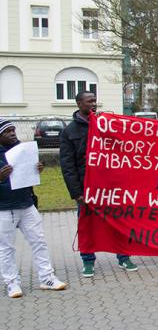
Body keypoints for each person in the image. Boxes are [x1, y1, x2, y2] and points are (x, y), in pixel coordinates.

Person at [60, 91, 138, 277]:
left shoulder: (106, 125)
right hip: (86, 188)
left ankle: (124, 257)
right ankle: (88, 261)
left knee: (118, 221)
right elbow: (67, 166)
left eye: (95, 101)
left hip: (109, 186)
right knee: (87, 225)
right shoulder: (69, 132)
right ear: (79, 103)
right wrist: (77, 193)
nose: (94, 104)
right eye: (89, 101)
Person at [1, 120, 67, 297]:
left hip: (26, 204)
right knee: (6, 247)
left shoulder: (22, 150)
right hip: (4, 209)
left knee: (39, 241)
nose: (13, 134)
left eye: (13, 130)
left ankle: (47, 278)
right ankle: (12, 283)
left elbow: (28, 174)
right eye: (7, 132)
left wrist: (37, 169)